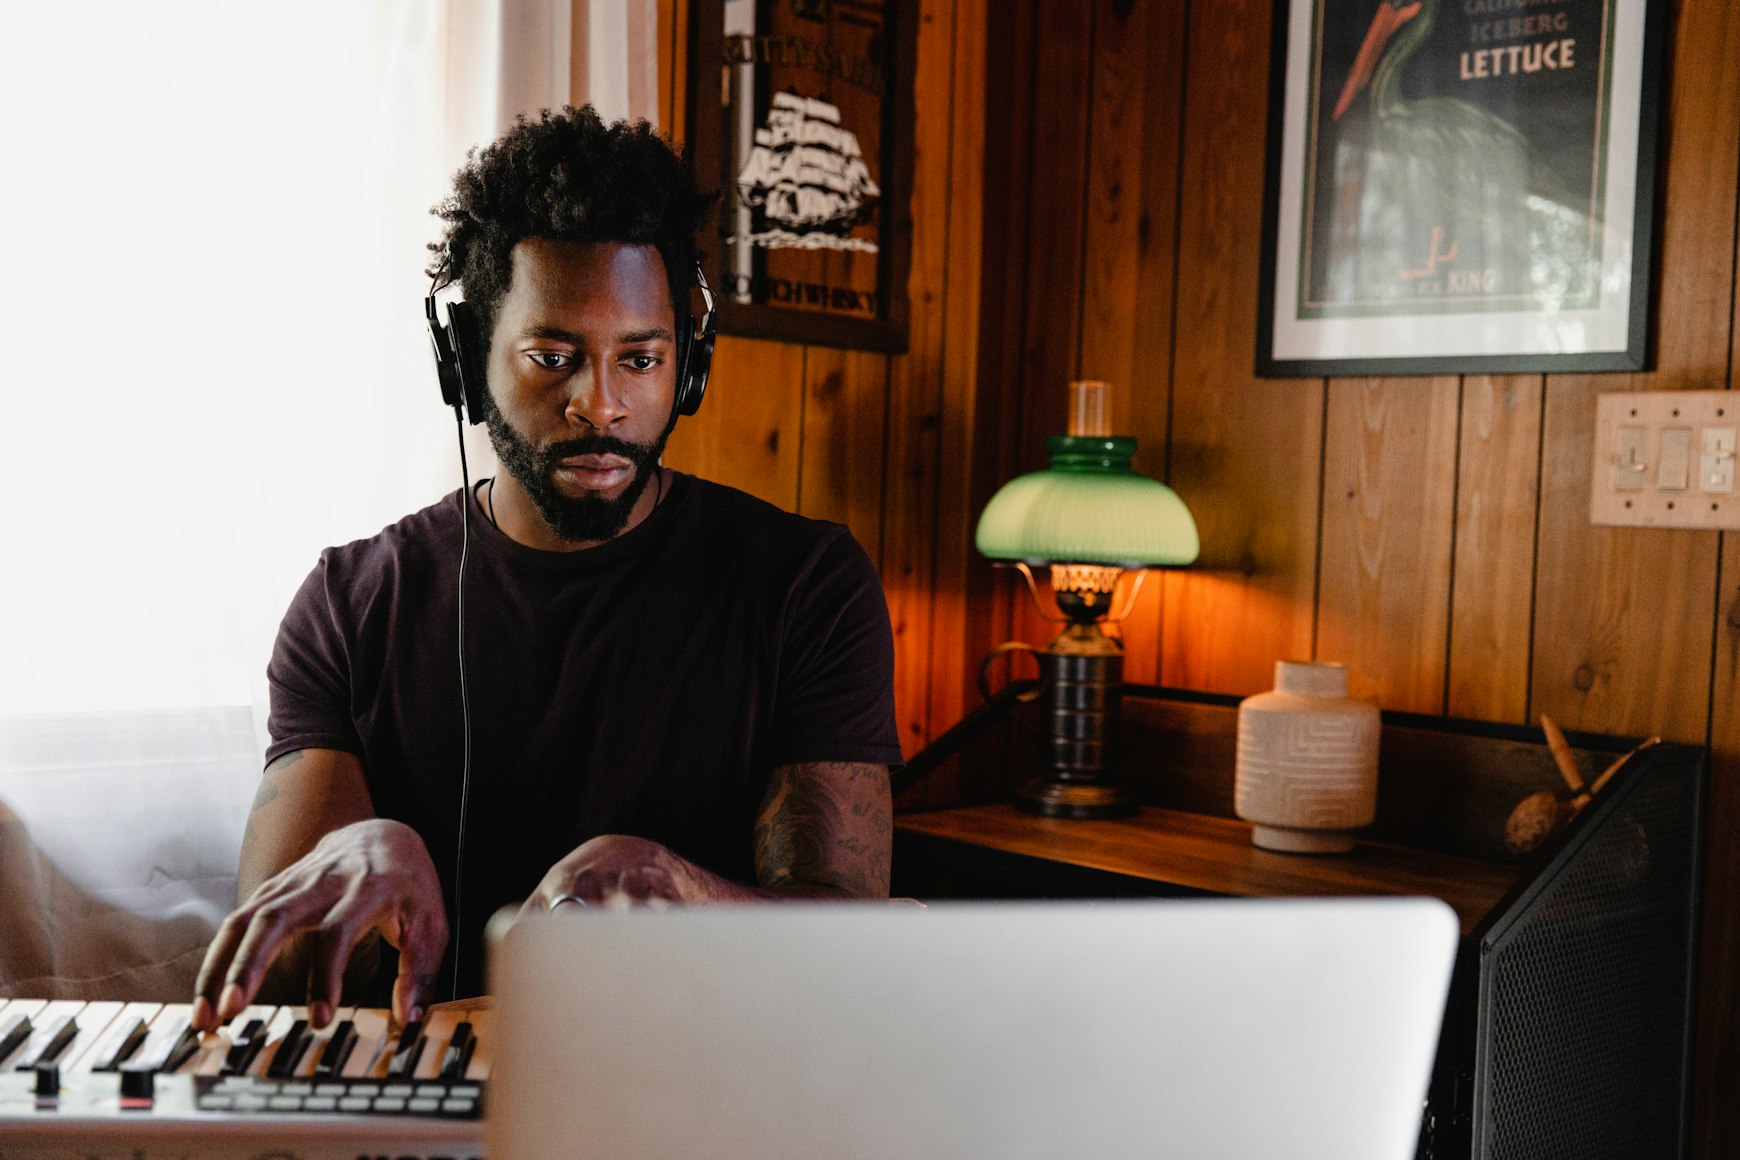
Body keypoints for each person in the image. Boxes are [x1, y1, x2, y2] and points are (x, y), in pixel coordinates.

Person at [191, 107, 902, 1033]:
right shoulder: (349, 603)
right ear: (466, 362)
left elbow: (855, 952)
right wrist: (365, 852)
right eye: (553, 357)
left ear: (686, 369)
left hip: (704, 1087)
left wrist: (678, 887)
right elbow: (277, 987)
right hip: (429, 1101)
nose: (600, 403)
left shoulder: (808, 586)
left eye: (640, 359)